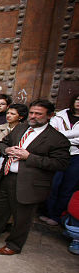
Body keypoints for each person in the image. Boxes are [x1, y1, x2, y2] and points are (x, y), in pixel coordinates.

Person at [0, 100, 70, 255]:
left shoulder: (56, 139)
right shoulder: (21, 128)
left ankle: (14, 245)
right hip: (7, 176)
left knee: (22, 216)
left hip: (30, 183)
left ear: (50, 115)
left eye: (38, 114)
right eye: (31, 113)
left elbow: (61, 163)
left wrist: (29, 157)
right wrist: (7, 149)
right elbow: (3, 143)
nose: (33, 116)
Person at [44, 93, 79, 225]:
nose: (78, 103)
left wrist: (62, 136)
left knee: (68, 187)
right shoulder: (60, 115)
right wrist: (73, 137)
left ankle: (57, 216)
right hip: (57, 154)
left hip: (76, 156)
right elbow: (52, 133)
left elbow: (58, 136)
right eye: (77, 100)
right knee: (53, 184)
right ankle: (48, 212)